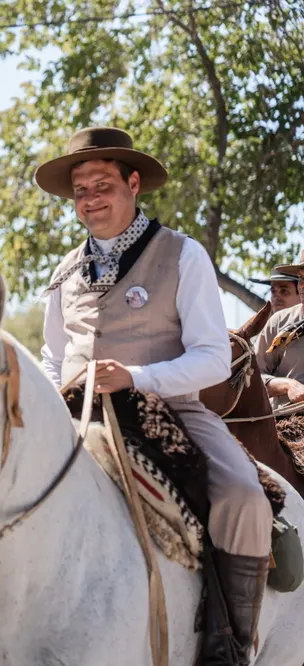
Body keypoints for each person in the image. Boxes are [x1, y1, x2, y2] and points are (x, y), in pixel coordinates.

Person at [37, 127, 272, 666]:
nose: (90, 199)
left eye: (103, 185)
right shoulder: (64, 271)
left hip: (171, 411)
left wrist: (138, 377)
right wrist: (51, 400)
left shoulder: (183, 255)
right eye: (80, 191)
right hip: (77, 415)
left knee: (244, 498)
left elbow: (213, 356)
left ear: (134, 183)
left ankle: (229, 643)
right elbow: (52, 356)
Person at [255, 250, 304, 409]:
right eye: (301, 278)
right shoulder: (277, 323)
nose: (302, 286)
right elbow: (251, 377)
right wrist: (288, 385)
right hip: (288, 422)